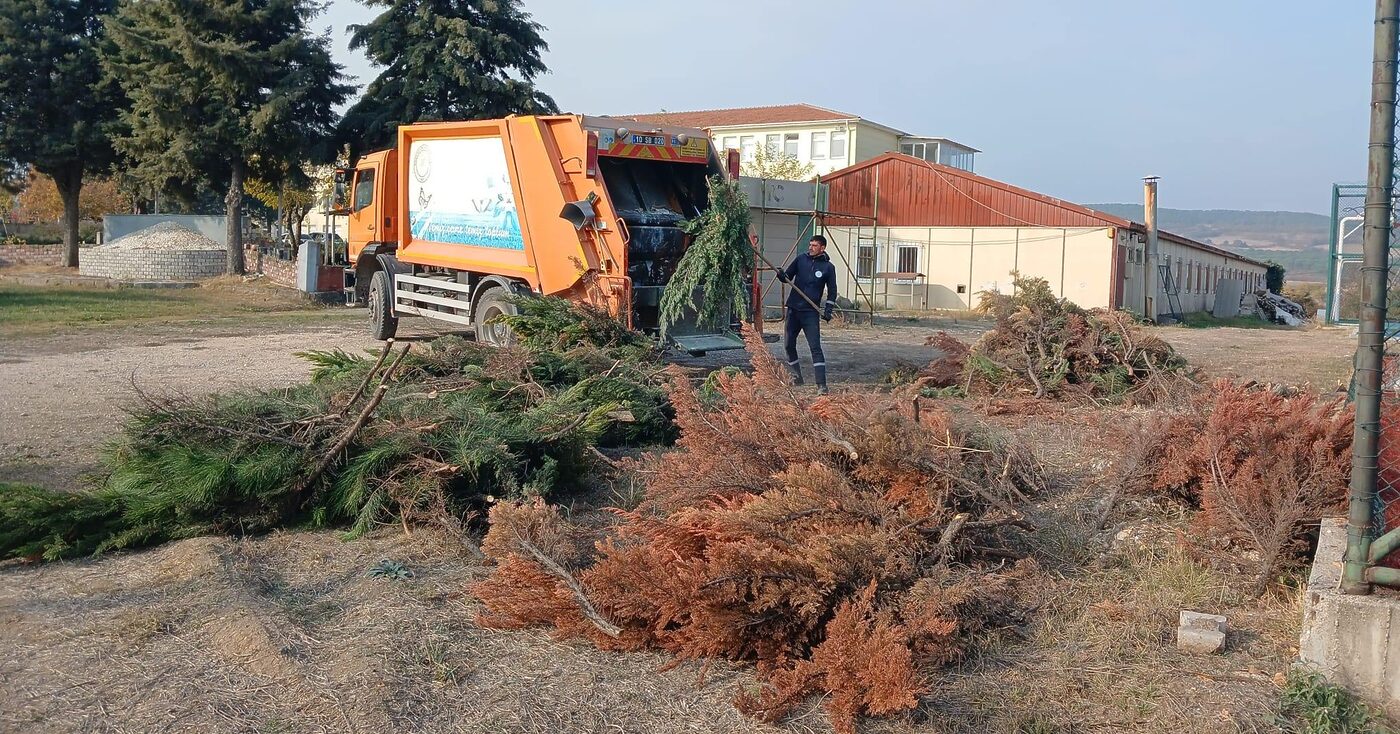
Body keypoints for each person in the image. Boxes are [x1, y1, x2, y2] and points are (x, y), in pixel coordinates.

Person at [775, 234, 837, 394]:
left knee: (815, 347)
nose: (810, 248)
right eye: (810, 245)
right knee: (789, 344)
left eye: (814, 245)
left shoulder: (828, 268)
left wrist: (828, 310)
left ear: (822, 248)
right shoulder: (801, 259)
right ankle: (796, 376)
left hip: (810, 313)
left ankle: (821, 385)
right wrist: (781, 275)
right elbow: (787, 276)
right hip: (794, 309)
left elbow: (832, 292)